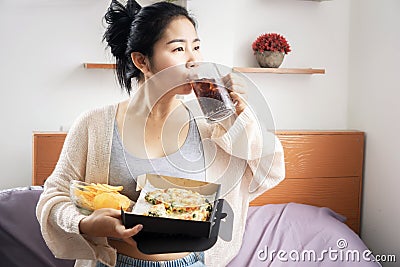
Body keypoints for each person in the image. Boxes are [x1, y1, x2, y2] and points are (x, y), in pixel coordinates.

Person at [36, 1, 285, 267]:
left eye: (196, 47)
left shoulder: (211, 126)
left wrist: (236, 116)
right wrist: (85, 224)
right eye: (179, 49)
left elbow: (270, 171)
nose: (194, 60)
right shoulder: (94, 125)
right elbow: (53, 198)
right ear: (142, 60)